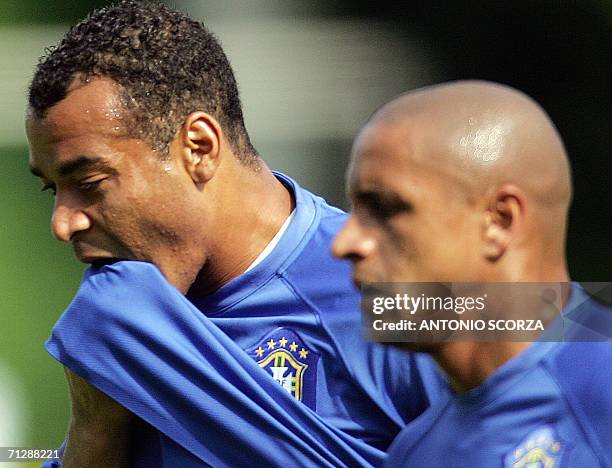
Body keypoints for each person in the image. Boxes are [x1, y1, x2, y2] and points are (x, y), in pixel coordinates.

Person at [26, 1, 445, 467]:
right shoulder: (114, 324)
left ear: (199, 148)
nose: (63, 224)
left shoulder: (396, 291)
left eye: (88, 184)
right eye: (52, 191)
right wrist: (94, 433)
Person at [333, 80, 612, 466]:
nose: (343, 242)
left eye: (384, 208)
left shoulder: (601, 393)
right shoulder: (415, 454)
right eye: (353, 211)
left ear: (500, 222)